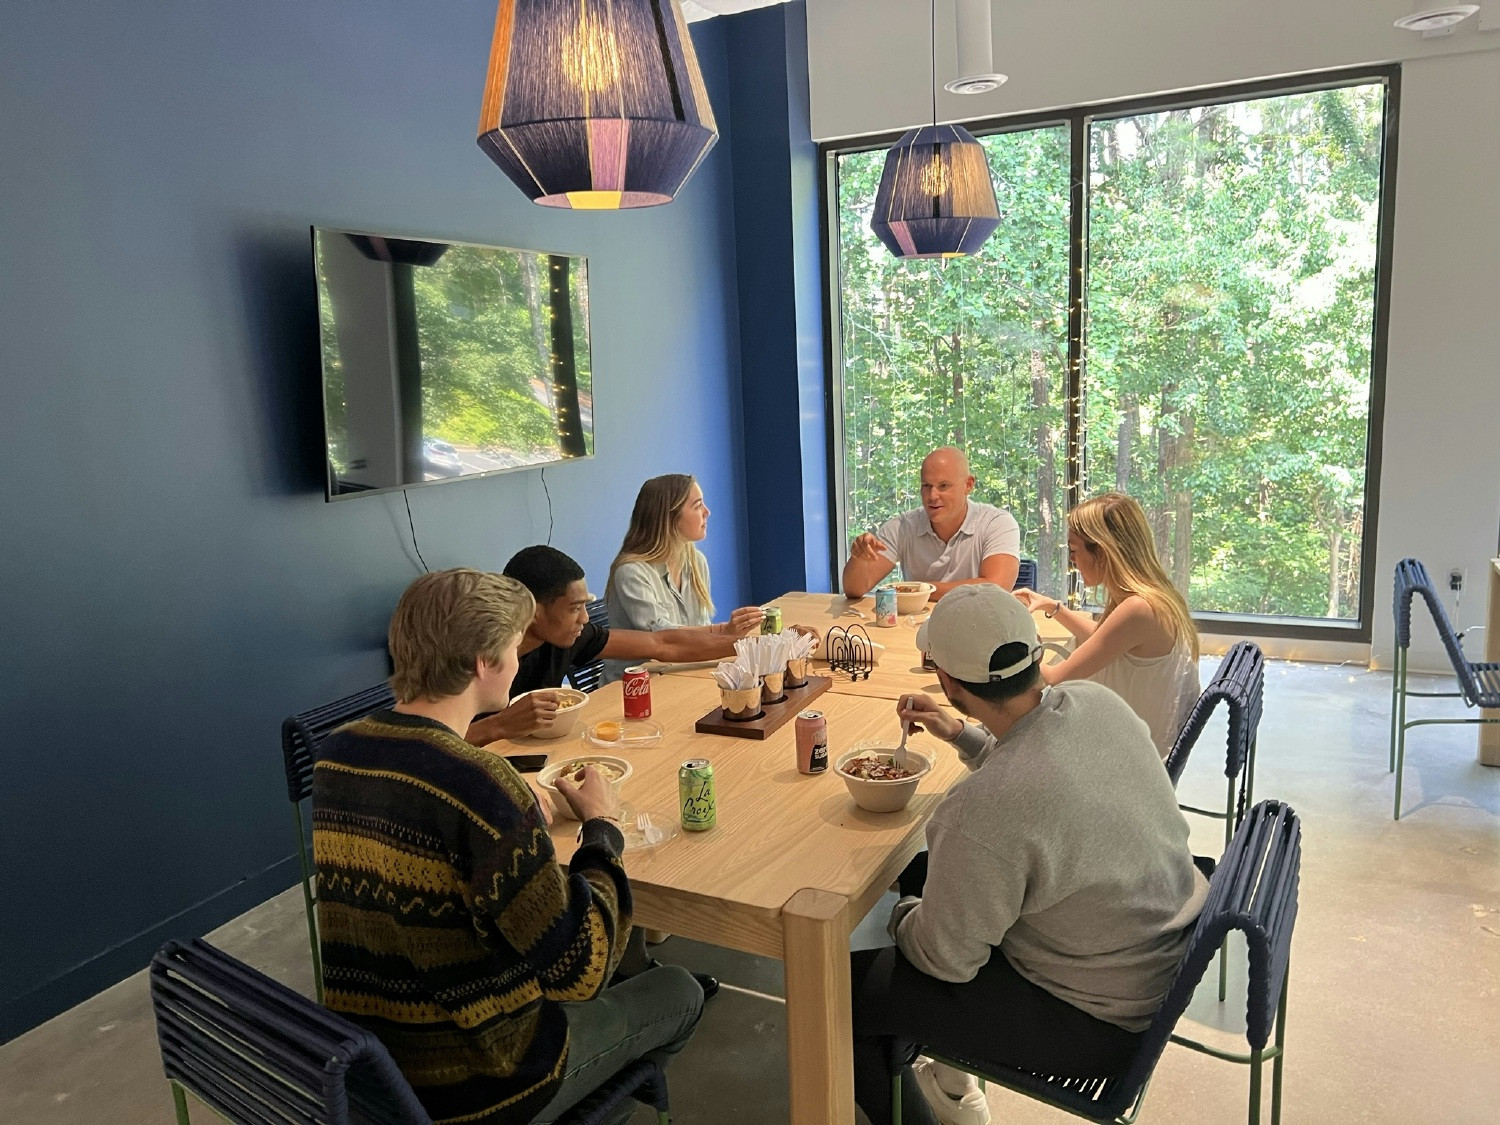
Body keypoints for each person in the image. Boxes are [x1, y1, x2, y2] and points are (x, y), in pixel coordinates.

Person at [312, 569, 703, 1125]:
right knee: (679, 991)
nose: (520, 661)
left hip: (376, 1075)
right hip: (479, 1080)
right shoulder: (480, 783)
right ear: (480, 662)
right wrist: (601, 828)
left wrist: (519, 833)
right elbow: (582, 970)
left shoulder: (337, 752)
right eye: (514, 647)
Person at [848, 584, 1208, 1125]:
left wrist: (897, 918)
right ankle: (945, 1081)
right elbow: (1036, 776)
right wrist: (961, 734)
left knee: (841, 992)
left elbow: (946, 959)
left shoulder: (978, 812)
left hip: (1095, 1022)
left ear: (947, 682)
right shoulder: (1096, 703)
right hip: (1152, 956)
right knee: (927, 874)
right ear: (1033, 650)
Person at [465, 545, 760, 744]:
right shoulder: (472, 657)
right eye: (574, 608)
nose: (584, 619)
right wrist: (499, 725)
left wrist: (746, 645)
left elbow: (661, 644)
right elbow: (424, 744)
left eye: (585, 606)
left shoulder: (569, 638)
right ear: (532, 610)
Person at [1012, 492, 1200, 757]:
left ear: (1102, 551)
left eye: (1075, 551)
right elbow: (1105, 641)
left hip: (1128, 760)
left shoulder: (1139, 609)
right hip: (1143, 747)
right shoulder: (1153, 596)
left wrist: (1011, 642)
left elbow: (1051, 679)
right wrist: (1053, 607)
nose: (1072, 561)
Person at [603, 473, 764, 682]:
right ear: (669, 517)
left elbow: (698, 631)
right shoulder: (632, 572)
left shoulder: (696, 561)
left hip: (683, 675)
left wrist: (728, 633)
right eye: (697, 506)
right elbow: (664, 639)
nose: (707, 512)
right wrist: (725, 633)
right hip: (634, 688)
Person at [843, 447, 1021, 601]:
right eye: (926, 486)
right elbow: (854, 590)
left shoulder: (997, 523)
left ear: (968, 485)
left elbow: (996, 588)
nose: (933, 496)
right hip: (917, 631)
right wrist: (859, 559)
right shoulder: (902, 527)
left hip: (979, 630)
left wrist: (919, 590)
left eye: (943, 486)